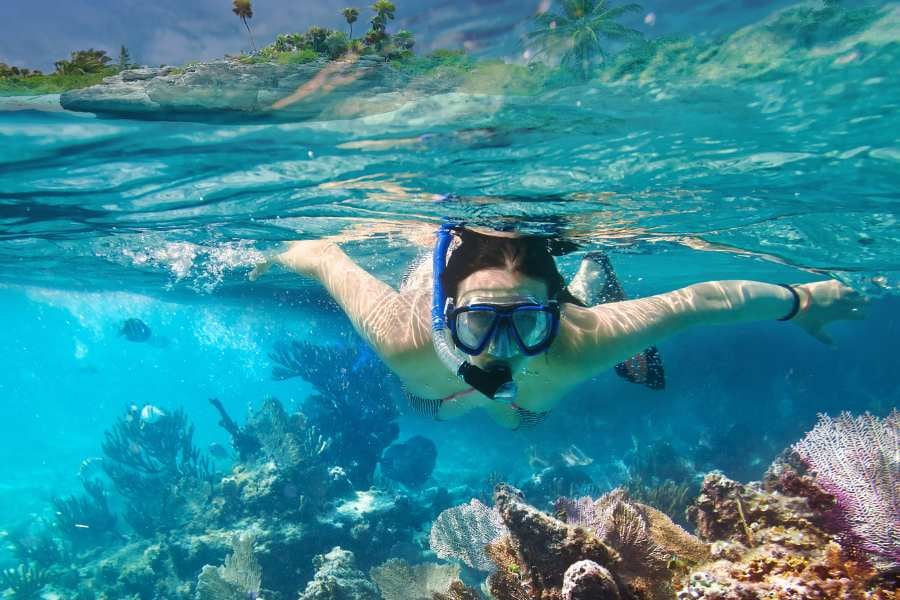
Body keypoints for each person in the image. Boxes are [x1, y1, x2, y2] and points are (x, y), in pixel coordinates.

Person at [250, 225, 867, 429]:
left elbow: (699, 301)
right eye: (480, 324)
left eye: (527, 324)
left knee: (517, 415)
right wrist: (272, 255)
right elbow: (326, 254)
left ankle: (588, 278)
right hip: (434, 393)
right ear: (446, 317)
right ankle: (587, 281)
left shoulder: (577, 341)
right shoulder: (403, 336)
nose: (501, 349)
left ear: (555, 314)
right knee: (454, 404)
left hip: (532, 379)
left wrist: (802, 300)